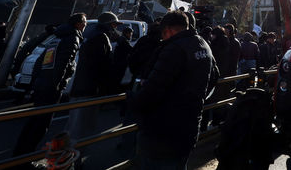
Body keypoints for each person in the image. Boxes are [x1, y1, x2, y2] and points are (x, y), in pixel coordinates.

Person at [129, 11, 218, 169]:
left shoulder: (174, 48)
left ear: (168, 30)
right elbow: (213, 78)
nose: (162, 39)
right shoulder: (203, 45)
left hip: (163, 130)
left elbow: (153, 90)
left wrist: (133, 99)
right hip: (189, 125)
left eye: (163, 34)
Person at [12, 13, 86, 162]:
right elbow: (63, 63)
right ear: (78, 24)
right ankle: (25, 160)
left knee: (33, 121)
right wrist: (57, 85)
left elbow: (40, 61)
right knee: (41, 124)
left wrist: (36, 81)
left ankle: (18, 156)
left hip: (41, 83)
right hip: (50, 87)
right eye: (84, 22)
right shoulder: (72, 37)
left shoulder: (57, 36)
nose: (85, 25)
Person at [67, 11, 119, 140]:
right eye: (114, 25)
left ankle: (67, 154)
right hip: (90, 88)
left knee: (73, 125)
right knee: (81, 129)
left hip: (80, 85)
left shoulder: (90, 35)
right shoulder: (101, 38)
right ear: (108, 25)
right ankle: (72, 157)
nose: (115, 28)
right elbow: (102, 64)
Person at [110, 26, 133, 93]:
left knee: (117, 78)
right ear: (127, 33)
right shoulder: (124, 41)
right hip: (120, 63)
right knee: (118, 78)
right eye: (130, 34)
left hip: (118, 62)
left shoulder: (121, 39)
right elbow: (131, 50)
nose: (131, 36)